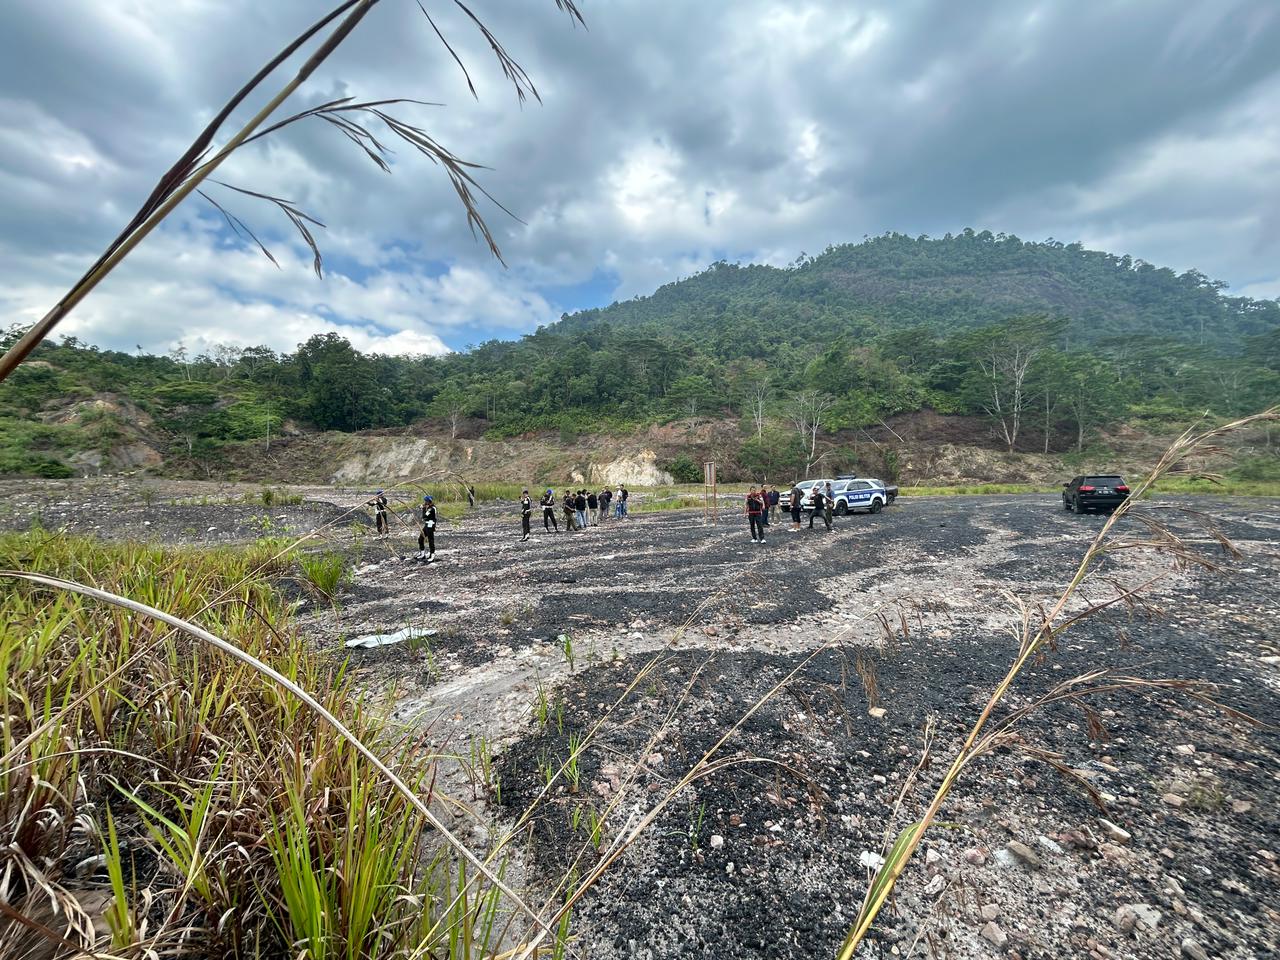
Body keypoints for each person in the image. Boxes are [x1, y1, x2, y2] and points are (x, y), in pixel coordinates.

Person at [416, 494, 437, 562]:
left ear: (429, 501)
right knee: (420, 538)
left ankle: (432, 555)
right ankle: (422, 554)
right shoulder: (428, 508)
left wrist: (423, 508)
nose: (425, 502)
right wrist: (424, 508)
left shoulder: (432, 509)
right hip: (427, 524)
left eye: (426, 501)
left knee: (431, 540)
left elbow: (424, 516)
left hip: (431, 524)